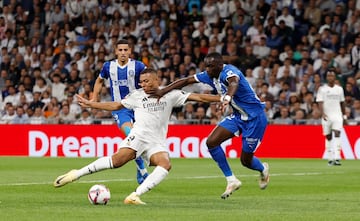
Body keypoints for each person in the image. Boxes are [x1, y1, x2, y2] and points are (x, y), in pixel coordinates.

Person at [53, 68, 222, 204]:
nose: (143, 85)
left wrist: (222, 98)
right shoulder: (137, 95)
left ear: (157, 80)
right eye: (141, 82)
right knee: (117, 161)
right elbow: (117, 105)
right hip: (139, 136)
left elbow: (199, 97)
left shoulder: (171, 94)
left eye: (147, 81)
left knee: (165, 164)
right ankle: (76, 174)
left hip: (156, 141)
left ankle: (135, 195)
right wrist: (92, 104)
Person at [151, 52, 270, 199]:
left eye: (211, 66)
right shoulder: (209, 75)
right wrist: (163, 91)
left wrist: (227, 97)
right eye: (206, 66)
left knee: (246, 161)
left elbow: (234, 82)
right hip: (239, 116)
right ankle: (231, 180)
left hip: (255, 119)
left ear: (220, 65)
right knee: (211, 142)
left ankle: (263, 169)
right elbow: (186, 81)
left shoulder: (230, 72)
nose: (207, 69)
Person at [91, 39, 148, 184]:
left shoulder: (138, 66)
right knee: (131, 135)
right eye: (120, 50)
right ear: (116, 51)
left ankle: (140, 164)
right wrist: (93, 98)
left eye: (125, 50)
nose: (123, 53)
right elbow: (99, 81)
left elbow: (150, 80)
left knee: (141, 139)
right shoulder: (108, 66)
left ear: (130, 51)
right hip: (120, 109)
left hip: (139, 107)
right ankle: (142, 167)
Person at [315, 68, 346, 166]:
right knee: (328, 136)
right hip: (327, 116)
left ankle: (337, 157)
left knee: (337, 134)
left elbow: (342, 103)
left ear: (335, 77)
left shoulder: (339, 89)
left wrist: (344, 115)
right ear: (326, 77)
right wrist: (322, 113)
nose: (330, 77)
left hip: (337, 115)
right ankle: (330, 158)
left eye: (332, 75)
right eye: (328, 76)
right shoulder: (322, 89)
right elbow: (320, 102)